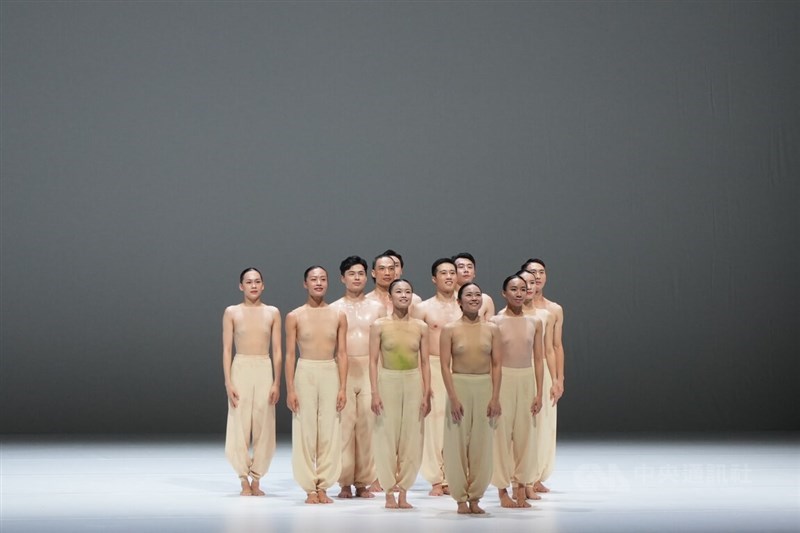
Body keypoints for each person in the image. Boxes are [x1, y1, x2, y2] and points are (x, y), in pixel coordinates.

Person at [285, 266, 348, 504]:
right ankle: (309, 488)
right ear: (305, 284)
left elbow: (342, 353)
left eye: (323, 279)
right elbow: (290, 355)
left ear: (328, 283)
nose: (318, 283)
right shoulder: (294, 316)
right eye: (314, 279)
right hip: (305, 371)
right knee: (304, 430)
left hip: (330, 371)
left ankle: (324, 486)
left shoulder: (338, 315)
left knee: (330, 430)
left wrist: (343, 387)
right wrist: (290, 388)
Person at [440, 282, 502, 514]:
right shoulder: (450, 330)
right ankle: (460, 498)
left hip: (485, 386)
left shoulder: (492, 329)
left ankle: (476, 496)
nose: (474, 299)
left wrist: (495, 396)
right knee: (456, 444)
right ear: (459, 301)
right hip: (460, 386)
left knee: (482, 444)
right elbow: (445, 367)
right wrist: (453, 397)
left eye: (477, 295)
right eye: (469, 295)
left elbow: (496, 365)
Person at [370, 279, 432, 509]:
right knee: (386, 436)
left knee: (412, 438)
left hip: (413, 380)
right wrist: (374, 392)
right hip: (388, 380)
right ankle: (388, 492)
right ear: (390, 297)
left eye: (408, 291)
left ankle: (404, 491)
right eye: (398, 291)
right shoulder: (379, 325)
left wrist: (427, 393)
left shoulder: (420, 327)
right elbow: (373, 361)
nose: (403, 295)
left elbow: (425, 362)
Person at [330, 256, 387, 498]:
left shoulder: (377, 308)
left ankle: (363, 482)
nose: (357, 278)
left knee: (367, 427)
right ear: (342, 278)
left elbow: (383, 344)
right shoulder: (334, 308)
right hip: (342, 370)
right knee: (343, 429)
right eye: (351, 273)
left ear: (367, 276)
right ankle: (344, 482)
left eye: (361, 273)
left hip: (369, 370)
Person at [222, 267, 282, 496]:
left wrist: (277, 382)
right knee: (238, 424)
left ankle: (257, 477)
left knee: (264, 424)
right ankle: (242, 477)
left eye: (257, 281)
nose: (253, 285)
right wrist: (228, 381)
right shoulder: (232, 312)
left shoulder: (272, 312)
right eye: (249, 282)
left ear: (263, 285)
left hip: (264, 367)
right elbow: (227, 349)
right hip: (241, 367)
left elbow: (277, 350)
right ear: (241, 286)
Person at [490, 275, 544, 508]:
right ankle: (502, 490)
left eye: (523, 289)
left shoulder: (535, 322)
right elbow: (491, 361)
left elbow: (539, 359)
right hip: (503, 380)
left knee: (525, 436)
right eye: (514, 289)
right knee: (500, 437)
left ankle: (521, 486)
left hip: (526, 379)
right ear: (504, 293)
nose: (519, 293)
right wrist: (493, 394)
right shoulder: (495, 322)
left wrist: (540, 392)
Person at [411, 258, 462, 496]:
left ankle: (456, 474)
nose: (449, 276)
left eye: (452, 272)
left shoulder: (467, 305)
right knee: (433, 423)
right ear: (434, 278)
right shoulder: (422, 309)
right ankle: (436, 478)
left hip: (461, 367)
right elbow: (415, 346)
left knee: (458, 422)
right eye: (443, 273)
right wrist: (422, 379)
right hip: (431, 365)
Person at [522, 258, 565, 495]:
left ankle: (537, 475)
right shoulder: (514, 307)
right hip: (520, 368)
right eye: (530, 273)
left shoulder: (553, 310)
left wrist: (559, 378)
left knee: (545, 423)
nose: (536, 277)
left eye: (540, 272)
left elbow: (555, 347)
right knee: (524, 423)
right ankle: (522, 476)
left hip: (545, 371)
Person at [452, 252, 495, 320]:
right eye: (461, 267)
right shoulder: (448, 299)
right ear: (453, 272)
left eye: (469, 267)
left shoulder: (486, 300)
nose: (466, 270)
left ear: (474, 273)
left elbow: (490, 329)